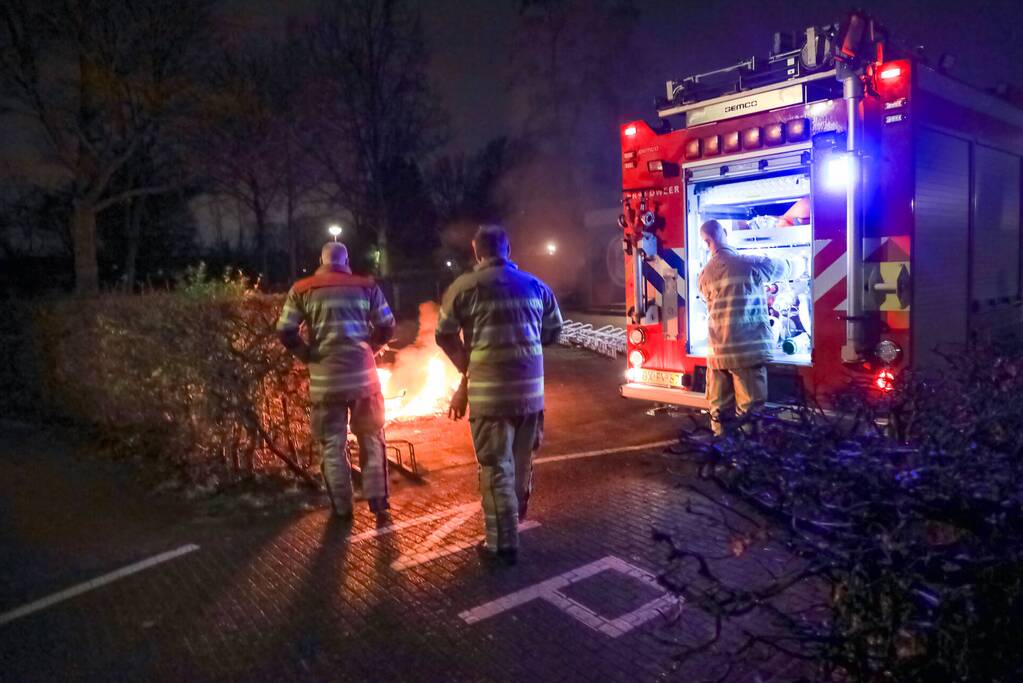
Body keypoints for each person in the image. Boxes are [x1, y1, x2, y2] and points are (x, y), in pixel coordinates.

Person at [436, 225, 563, 566]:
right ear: (508, 249)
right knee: (521, 463)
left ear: (477, 251)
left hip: (490, 398)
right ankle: (515, 516)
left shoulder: (464, 288)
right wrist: (527, 345)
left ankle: (502, 544)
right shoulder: (536, 286)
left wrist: (466, 366)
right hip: (530, 395)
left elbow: (443, 334)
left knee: (496, 468)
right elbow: (555, 330)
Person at [277, 242, 396, 519]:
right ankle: (378, 502)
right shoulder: (366, 286)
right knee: (372, 438)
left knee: (332, 444)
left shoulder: (302, 289)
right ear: (346, 260)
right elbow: (387, 325)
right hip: (363, 379)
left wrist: (308, 356)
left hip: (326, 380)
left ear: (321, 260)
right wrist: (370, 349)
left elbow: (285, 330)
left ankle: (342, 508)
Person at [697, 220, 800, 436]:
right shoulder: (748, 263)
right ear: (725, 233)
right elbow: (786, 268)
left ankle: (721, 451)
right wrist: (803, 261)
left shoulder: (704, 274)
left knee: (719, 411)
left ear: (706, 242)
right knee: (749, 411)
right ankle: (746, 453)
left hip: (717, 354)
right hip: (745, 353)